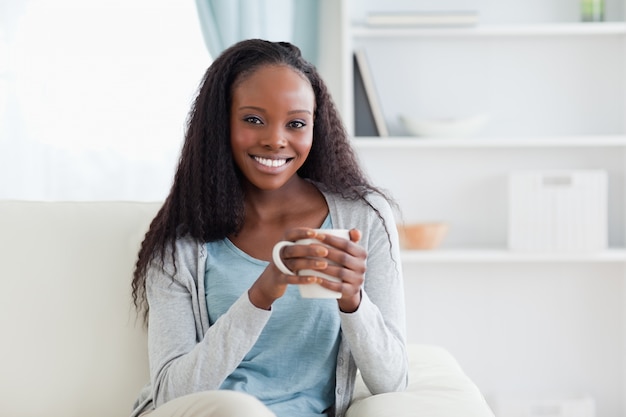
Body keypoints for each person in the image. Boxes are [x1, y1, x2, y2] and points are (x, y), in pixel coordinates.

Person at [129, 38, 407, 417]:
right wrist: (261, 295)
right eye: (253, 120)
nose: (276, 140)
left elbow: (393, 383)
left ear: (315, 127)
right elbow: (171, 397)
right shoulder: (181, 241)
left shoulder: (363, 217)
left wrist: (353, 302)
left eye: (296, 123)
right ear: (221, 123)